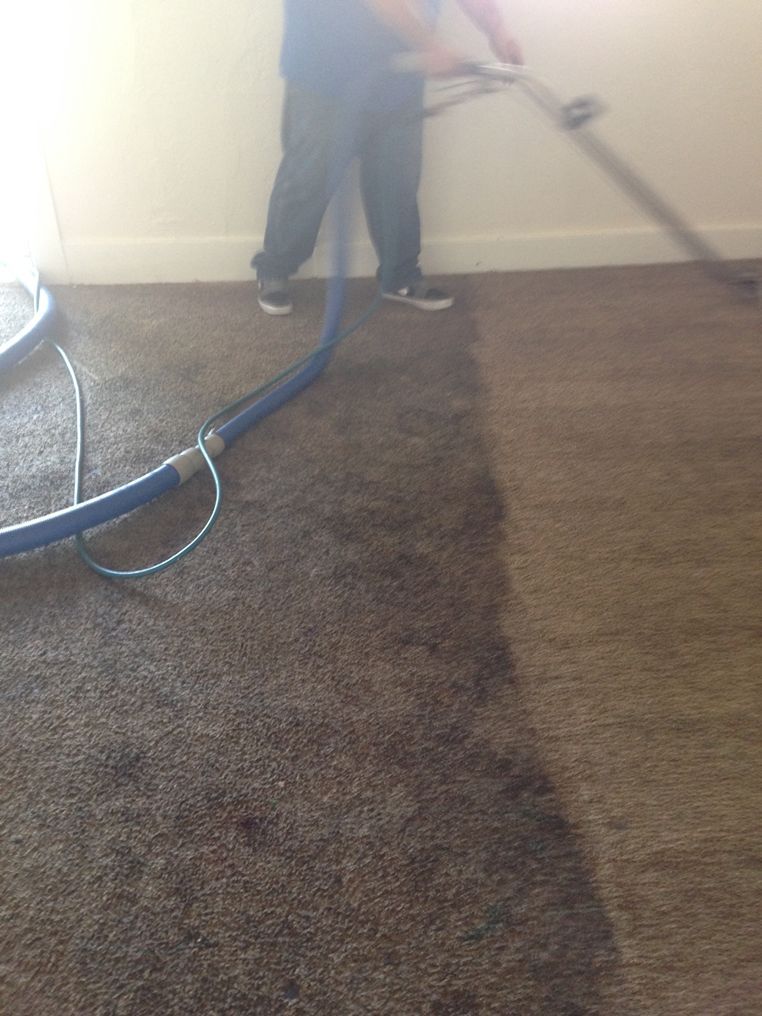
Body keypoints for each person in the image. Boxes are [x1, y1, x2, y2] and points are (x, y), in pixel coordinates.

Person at [253, 1, 523, 316]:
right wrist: (432, 46)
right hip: (323, 65)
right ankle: (275, 268)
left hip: (399, 71)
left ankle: (400, 275)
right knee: (310, 173)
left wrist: (498, 31)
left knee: (397, 177)